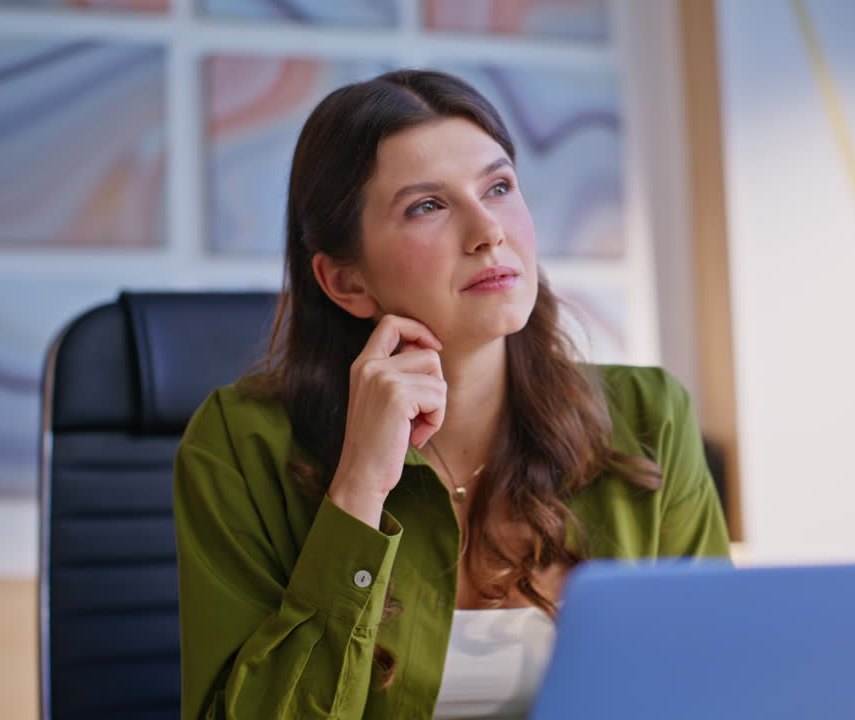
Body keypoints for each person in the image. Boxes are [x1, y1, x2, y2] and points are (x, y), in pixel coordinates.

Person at [174, 69, 730, 720]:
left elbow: (715, 686)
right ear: (347, 281)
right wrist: (357, 494)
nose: (488, 231)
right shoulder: (237, 449)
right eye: (427, 206)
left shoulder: (650, 418)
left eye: (498, 187)